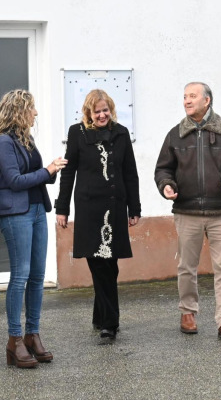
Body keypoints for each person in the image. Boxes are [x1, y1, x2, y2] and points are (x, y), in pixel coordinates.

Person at [153, 82, 221, 343]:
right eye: (184, 96)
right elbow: (163, 169)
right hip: (187, 212)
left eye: (192, 96)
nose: (186, 100)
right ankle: (188, 313)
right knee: (187, 267)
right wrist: (166, 185)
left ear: (206, 101)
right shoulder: (176, 134)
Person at [0, 89, 67, 368]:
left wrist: (53, 170)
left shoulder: (27, 139)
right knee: (20, 275)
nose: (35, 113)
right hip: (15, 213)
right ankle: (14, 340)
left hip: (35, 210)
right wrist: (46, 171)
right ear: (19, 110)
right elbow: (13, 179)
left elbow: (36, 176)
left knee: (37, 276)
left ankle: (33, 335)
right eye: (32, 109)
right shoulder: (3, 142)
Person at [55, 89, 141, 341]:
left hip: (114, 208)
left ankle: (103, 318)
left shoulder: (121, 133)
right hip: (89, 209)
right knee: (97, 263)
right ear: (88, 112)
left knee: (109, 265)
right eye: (97, 111)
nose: (102, 115)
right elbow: (68, 173)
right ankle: (108, 321)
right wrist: (62, 208)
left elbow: (130, 174)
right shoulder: (77, 133)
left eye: (106, 110)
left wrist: (134, 208)